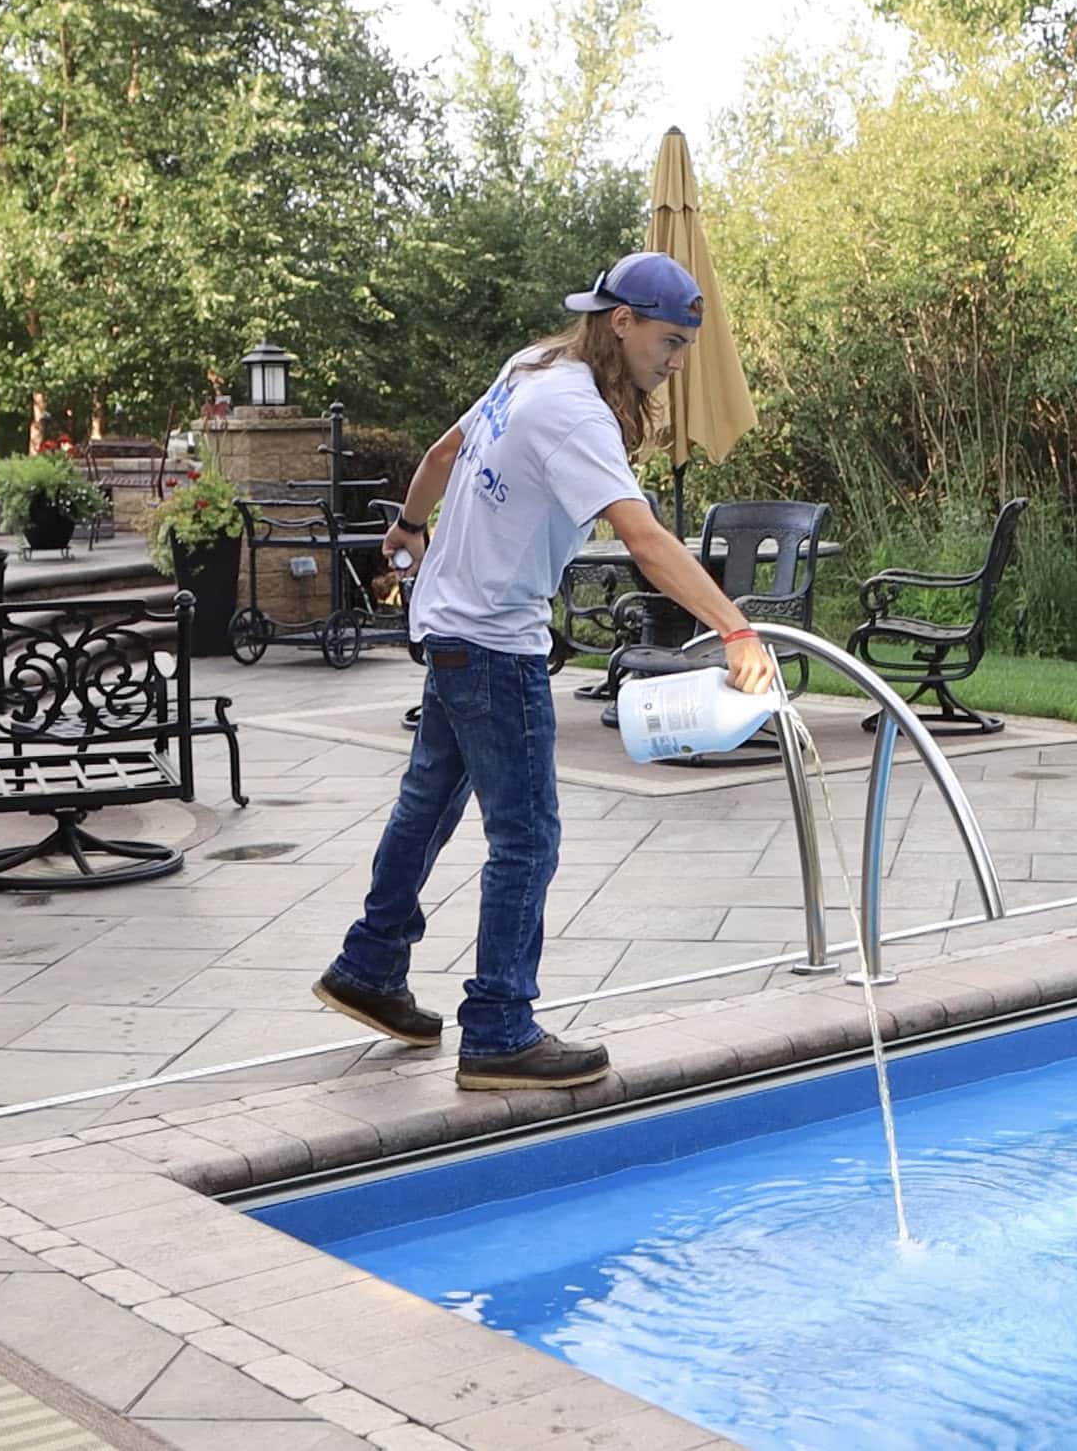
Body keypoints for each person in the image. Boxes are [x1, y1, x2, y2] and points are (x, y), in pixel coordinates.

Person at [312, 252, 779, 1090]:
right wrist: (735, 628)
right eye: (668, 342)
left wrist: (409, 528)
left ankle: (370, 967)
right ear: (623, 321)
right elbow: (644, 538)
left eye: (685, 348)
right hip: (493, 641)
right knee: (527, 836)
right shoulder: (578, 413)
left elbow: (446, 451)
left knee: (426, 808)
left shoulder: (534, 366)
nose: (674, 362)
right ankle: (498, 1026)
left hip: (452, 627)